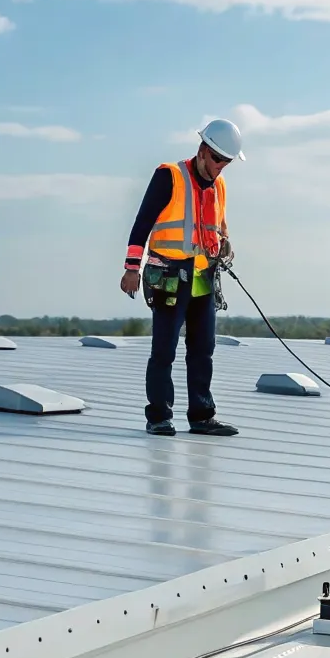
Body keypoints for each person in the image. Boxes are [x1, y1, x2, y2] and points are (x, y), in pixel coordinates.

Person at [121, 118, 245, 437]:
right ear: (202, 150)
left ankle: (202, 415)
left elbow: (219, 226)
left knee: (203, 349)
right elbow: (142, 223)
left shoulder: (219, 186)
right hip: (169, 277)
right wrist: (132, 268)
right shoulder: (170, 176)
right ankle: (159, 416)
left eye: (226, 162)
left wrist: (225, 244)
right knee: (164, 350)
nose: (220, 167)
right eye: (217, 159)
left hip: (203, 277)